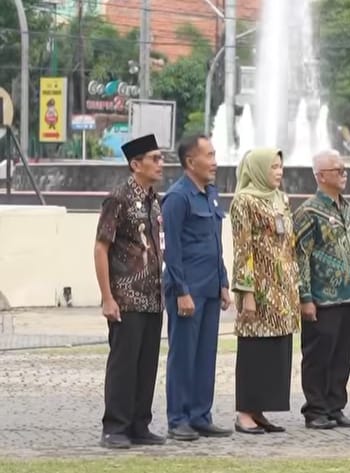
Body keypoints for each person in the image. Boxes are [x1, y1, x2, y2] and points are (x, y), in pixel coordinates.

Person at [94, 134, 165, 448]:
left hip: (154, 297)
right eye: (155, 158)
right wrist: (107, 297)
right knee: (123, 364)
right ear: (136, 164)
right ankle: (115, 427)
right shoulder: (118, 198)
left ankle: (139, 425)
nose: (161, 164)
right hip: (126, 296)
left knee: (146, 365)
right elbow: (101, 247)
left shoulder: (154, 200)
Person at [162, 134, 233, 441]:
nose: (215, 162)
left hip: (209, 287)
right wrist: (181, 291)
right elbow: (171, 249)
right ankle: (178, 418)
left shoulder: (210, 194)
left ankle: (200, 416)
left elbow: (215, 243)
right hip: (187, 289)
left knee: (205, 355)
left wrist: (223, 282)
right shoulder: (178, 197)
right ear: (191, 161)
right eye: (209, 155)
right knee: (183, 355)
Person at [294, 150, 350, 429]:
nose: (344, 174)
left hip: (348, 295)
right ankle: (315, 409)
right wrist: (305, 297)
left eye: (344, 169)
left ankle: (335, 406)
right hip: (322, 297)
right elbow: (301, 256)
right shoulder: (309, 211)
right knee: (318, 356)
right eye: (338, 170)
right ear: (321, 176)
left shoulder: (347, 208)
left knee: (342, 355)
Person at [231, 148, 300, 434]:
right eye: (273, 167)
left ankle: (259, 410)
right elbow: (242, 247)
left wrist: (295, 284)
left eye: (280, 166)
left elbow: (289, 243)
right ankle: (244, 412)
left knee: (276, 351)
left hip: (283, 289)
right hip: (258, 289)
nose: (279, 172)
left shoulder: (281, 198)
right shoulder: (243, 201)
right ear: (258, 169)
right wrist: (246, 292)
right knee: (255, 350)